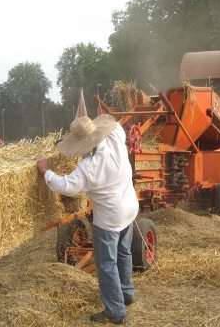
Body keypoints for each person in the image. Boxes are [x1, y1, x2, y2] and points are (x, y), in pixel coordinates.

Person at [37, 114, 138, 325]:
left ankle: (115, 312)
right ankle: (127, 293)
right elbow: (116, 126)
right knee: (124, 251)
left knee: (106, 264)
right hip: (130, 206)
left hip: (110, 218)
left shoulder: (89, 166)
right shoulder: (115, 139)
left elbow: (63, 186)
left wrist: (45, 170)